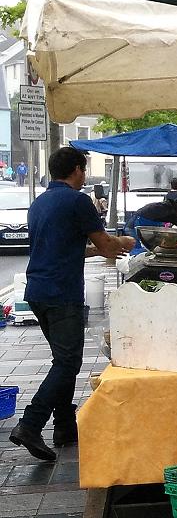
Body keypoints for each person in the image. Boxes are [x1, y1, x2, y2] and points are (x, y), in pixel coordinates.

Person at [10, 148, 133, 462]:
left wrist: (102, 250)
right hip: (62, 293)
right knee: (68, 363)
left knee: (61, 361)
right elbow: (106, 245)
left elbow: (68, 249)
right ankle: (31, 424)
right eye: (84, 169)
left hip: (38, 291)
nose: (85, 175)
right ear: (78, 170)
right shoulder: (79, 201)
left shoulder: (39, 203)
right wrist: (124, 243)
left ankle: (64, 427)